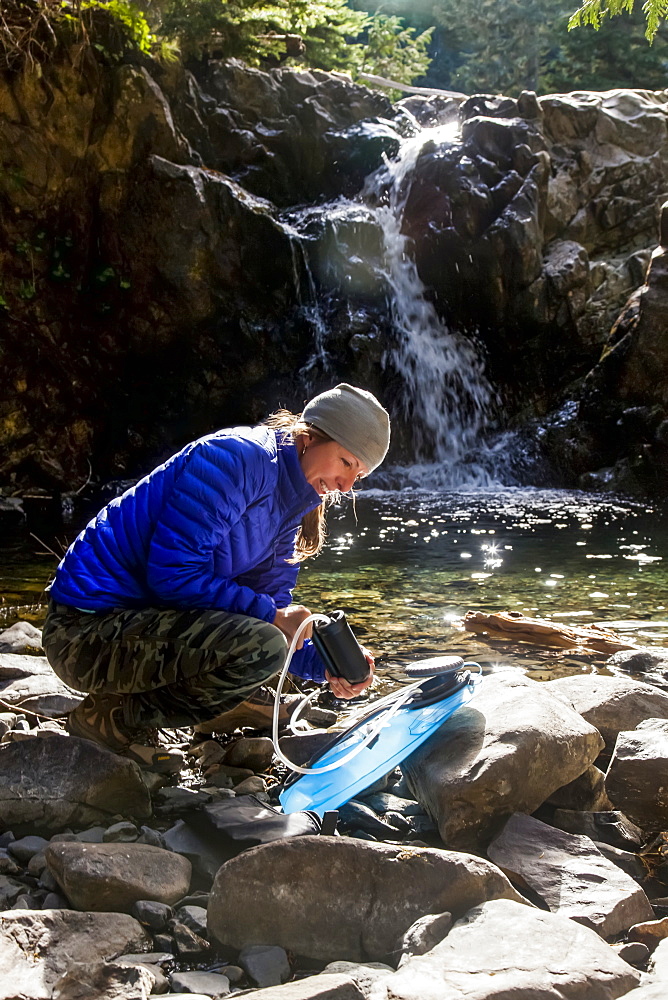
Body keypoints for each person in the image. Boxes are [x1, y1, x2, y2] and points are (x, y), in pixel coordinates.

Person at [42, 384, 391, 772]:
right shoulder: (239, 458)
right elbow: (172, 573)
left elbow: (273, 612)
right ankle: (114, 721)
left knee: (267, 641)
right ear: (309, 437)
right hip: (83, 633)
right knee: (260, 645)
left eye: (358, 474)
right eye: (346, 462)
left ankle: (124, 713)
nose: (347, 486)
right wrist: (273, 619)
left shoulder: (295, 502)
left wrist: (325, 668)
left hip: (136, 630)